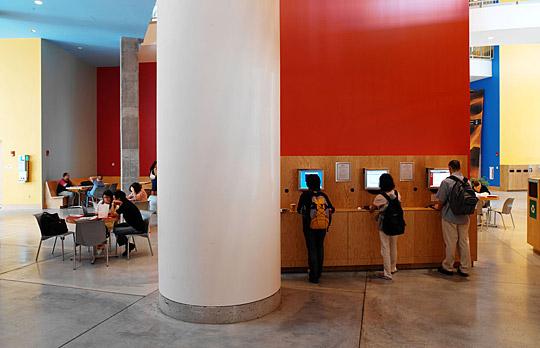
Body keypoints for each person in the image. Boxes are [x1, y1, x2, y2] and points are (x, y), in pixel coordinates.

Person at [435, 160, 472, 277]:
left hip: (450, 217)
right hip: (464, 217)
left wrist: (437, 208)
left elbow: (441, 201)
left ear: (450, 168)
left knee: (450, 242)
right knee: (464, 242)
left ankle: (448, 267)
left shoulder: (446, 182)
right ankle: (465, 268)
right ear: (459, 168)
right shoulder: (467, 182)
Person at [297, 174, 335, 283]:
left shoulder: (305, 195)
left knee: (312, 249)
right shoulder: (323, 195)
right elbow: (332, 208)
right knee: (320, 247)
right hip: (323, 226)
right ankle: (319, 272)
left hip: (309, 226)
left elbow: (299, 210)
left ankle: (313, 276)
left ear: (308, 184)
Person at [370, 173, 402, 280]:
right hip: (396, 223)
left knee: (385, 248)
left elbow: (372, 208)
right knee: (394, 246)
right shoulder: (397, 193)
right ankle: (393, 268)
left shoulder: (380, 196)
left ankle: (387, 273)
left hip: (385, 225)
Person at [112, 190, 145, 256]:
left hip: (137, 227)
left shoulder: (125, 205)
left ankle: (128, 245)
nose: (114, 199)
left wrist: (113, 204)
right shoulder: (126, 202)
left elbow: (114, 214)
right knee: (116, 227)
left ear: (118, 199)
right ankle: (128, 245)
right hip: (134, 224)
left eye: (114, 198)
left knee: (115, 230)